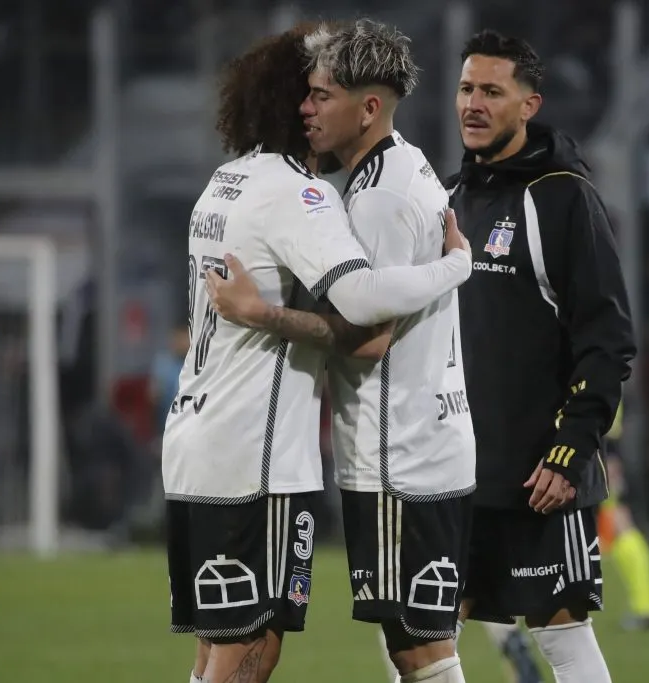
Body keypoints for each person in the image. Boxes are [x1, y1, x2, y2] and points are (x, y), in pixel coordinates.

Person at [162, 25, 472, 683]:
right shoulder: (300, 193)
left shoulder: (224, 182)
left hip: (197, 438)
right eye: (308, 95)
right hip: (257, 455)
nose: (313, 109)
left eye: (323, 95)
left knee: (224, 643)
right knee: (255, 643)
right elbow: (365, 310)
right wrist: (456, 267)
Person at [448, 30, 636, 683]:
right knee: (417, 636)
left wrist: (570, 450)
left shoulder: (563, 198)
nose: (473, 103)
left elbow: (608, 337)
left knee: (562, 634)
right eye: (467, 88)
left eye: (492, 91)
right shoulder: (450, 200)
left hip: (539, 478)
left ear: (528, 105)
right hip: (452, 471)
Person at [598, 402, 649, 631]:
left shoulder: (590, 368)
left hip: (596, 450)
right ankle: (646, 606)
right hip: (604, 450)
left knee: (619, 524)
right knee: (618, 523)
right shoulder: (604, 368)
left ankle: (646, 607)